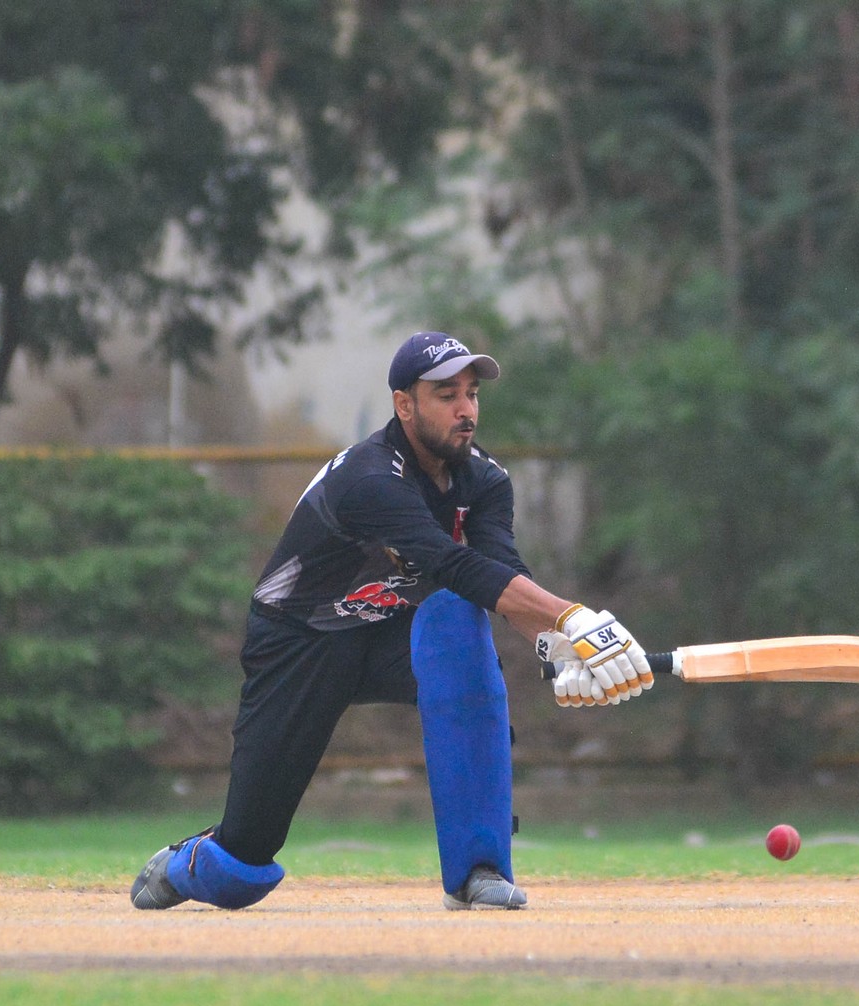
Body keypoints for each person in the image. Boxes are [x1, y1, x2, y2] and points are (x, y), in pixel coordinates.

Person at [129, 331, 654, 912]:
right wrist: (573, 617)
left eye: (472, 394)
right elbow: (452, 564)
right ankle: (190, 861)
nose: (466, 409)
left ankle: (477, 871)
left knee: (460, 630)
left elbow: (501, 572)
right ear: (405, 405)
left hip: (390, 632)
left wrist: (554, 642)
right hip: (300, 639)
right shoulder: (372, 479)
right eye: (446, 395)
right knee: (242, 871)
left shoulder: (485, 481)